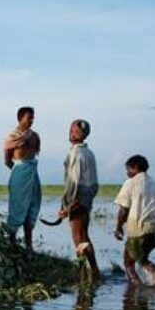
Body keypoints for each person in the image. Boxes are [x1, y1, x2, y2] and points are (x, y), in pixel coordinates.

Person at [114, 155, 155, 287]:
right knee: (142, 260)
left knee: (128, 264)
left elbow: (124, 209)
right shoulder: (154, 183)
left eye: (128, 169)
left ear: (136, 168)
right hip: (152, 229)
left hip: (138, 229)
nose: (127, 173)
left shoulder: (130, 183)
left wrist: (118, 227)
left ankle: (137, 288)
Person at [58, 119, 101, 281]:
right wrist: (87, 199)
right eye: (70, 130)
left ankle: (83, 271)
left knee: (78, 237)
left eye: (75, 131)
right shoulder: (89, 153)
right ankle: (94, 270)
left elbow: (73, 181)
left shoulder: (75, 152)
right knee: (84, 235)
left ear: (83, 134)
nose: (71, 133)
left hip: (77, 199)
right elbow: (95, 184)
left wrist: (67, 206)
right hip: (87, 199)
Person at [3, 106, 41, 254]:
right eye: (29, 118)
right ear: (20, 118)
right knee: (17, 206)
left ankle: (29, 245)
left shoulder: (35, 136)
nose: (31, 121)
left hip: (32, 172)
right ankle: (11, 241)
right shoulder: (12, 136)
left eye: (33, 118)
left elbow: (35, 152)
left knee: (31, 206)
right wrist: (19, 171)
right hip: (19, 172)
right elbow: (7, 161)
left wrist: (28, 169)